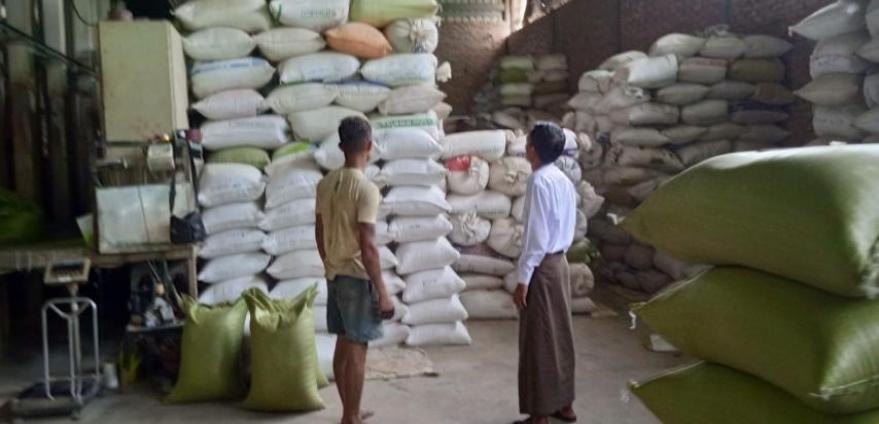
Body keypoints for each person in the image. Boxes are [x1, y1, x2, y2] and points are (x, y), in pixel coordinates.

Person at [316, 117, 395, 424]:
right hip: (357, 279)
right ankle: (351, 417)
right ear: (369, 146)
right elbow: (369, 245)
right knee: (358, 351)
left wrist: (329, 263)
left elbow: (319, 232)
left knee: (343, 346)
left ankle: (350, 410)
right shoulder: (366, 189)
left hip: (334, 276)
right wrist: (383, 292)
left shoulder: (325, 184)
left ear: (341, 147)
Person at [512, 122, 578, 424]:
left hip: (542, 268)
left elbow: (535, 238)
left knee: (538, 339)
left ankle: (539, 414)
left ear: (534, 150)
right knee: (560, 334)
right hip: (559, 263)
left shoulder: (538, 181)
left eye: (528, 143)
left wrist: (523, 279)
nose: (526, 148)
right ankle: (565, 405)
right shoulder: (563, 179)